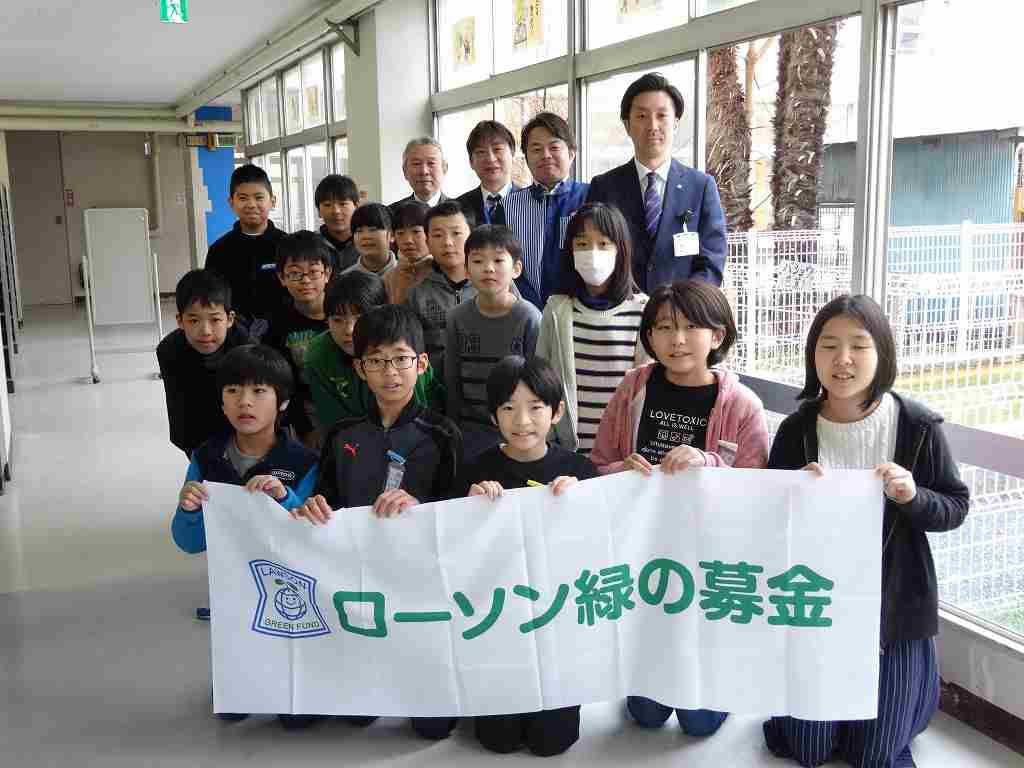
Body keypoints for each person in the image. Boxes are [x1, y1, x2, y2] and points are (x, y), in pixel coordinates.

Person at [762, 294, 969, 768]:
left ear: (883, 354)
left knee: (876, 756)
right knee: (808, 751)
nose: (843, 359)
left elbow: (955, 506)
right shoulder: (796, 430)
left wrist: (912, 496)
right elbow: (770, 519)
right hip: (817, 603)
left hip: (892, 611)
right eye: (828, 345)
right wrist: (795, 495)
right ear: (813, 355)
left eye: (859, 345)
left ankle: (913, 691)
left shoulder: (917, 426)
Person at [590, 280, 768, 738]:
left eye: (692, 326)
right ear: (649, 336)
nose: (678, 339)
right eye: (665, 327)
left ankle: (714, 681)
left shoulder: (742, 405)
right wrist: (621, 471)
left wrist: (707, 463)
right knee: (645, 714)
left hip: (708, 559)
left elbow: (757, 493)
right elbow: (599, 462)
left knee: (700, 723)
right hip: (645, 551)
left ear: (719, 334)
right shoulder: (633, 388)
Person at [293, 304, 462, 742]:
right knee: (359, 718)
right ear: (359, 368)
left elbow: (459, 512)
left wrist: (420, 504)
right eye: (376, 361)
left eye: (401, 358)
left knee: (433, 728)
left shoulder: (442, 434)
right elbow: (324, 500)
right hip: (359, 579)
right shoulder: (343, 435)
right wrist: (313, 508)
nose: (390, 372)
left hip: (419, 584)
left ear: (421, 364)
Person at [170, 344, 319, 728]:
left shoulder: (302, 461)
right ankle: (240, 682)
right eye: (233, 391)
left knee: (294, 719)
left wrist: (285, 497)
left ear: (282, 402)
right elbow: (187, 542)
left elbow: (313, 535)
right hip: (232, 589)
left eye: (259, 391)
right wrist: (188, 509)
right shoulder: (206, 457)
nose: (244, 402)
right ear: (221, 403)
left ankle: (295, 685)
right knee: (233, 707)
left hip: (290, 589)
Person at [452, 355, 592, 757]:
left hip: (556, 618)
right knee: (497, 741)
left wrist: (580, 504)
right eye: (509, 408)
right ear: (493, 416)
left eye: (535, 407)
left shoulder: (579, 470)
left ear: (557, 411)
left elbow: (599, 547)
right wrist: (469, 508)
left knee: (553, 743)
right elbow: (454, 551)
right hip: (500, 619)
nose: (522, 420)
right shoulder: (476, 470)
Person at [586, 72, 726, 293]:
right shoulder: (604, 187)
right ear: (627, 125)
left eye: (662, 115)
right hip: (620, 315)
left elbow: (711, 262)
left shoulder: (701, 187)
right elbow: (594, 255)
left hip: (680, 318)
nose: (653, 126)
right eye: (642, 116)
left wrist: (682, 307)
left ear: (676, 122)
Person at [536, 202, 649, 455]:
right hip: (569, 453)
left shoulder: (643, 312)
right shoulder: (556, 309)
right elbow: (541, 382)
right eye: (582, 244)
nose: (593, 253)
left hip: (624, 456)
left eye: (604, 244)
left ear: (621, 249)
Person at [445, 225, 541, 459]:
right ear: (466, 269)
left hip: (517, 431)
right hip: (469, 432)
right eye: (478, 262)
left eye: (498, 261)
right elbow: (452, 380)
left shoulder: (529, 317)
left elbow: (538, 383)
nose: (488, 268)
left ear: (516, 268)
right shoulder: (456, 317)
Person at [304, 271, 443, 428]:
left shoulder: (404, 351)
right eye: (337, 320)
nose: (349, 330)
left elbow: (429, 407)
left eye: (359, 317)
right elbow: (334, 422)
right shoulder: (318, 355)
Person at [157, 269, 250, 459]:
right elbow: (180, 411)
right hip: (198, 436)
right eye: (193, 320)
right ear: (180, 321)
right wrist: (195, 454)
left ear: (230, 319)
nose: (205, 331)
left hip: (245, 434)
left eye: (215, 319)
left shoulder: (246, 348)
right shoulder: (169, 351)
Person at [504, 112, 589, 309]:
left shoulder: (592, 198)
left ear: (571, 153)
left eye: (554, 147)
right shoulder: (507, 207)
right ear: (526, 158)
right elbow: (504, 261)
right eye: (536, 149)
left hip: (580, 311)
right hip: (524, 312)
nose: (545, 155)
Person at [263, 231, 333, 449]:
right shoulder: (278, 325)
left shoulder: (343, 315)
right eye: (294, 274)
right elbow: (283, 383)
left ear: (327, 273)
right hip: (306, 409)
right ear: (281, 278)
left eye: (313, 272)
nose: (306, 281)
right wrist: (304, 428)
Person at [204, 164, 288, 337]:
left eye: (259, 197)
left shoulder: (287, 245)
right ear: (231, 202)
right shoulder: (219, 250)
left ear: (272, 201)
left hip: (283, 330)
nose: (251, 205)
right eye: (242, 198)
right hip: (234, 334)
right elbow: (212, 298)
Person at [404, 199, 477, 381]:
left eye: (456, 233)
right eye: (438, 235)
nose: (448, 242)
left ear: (472, 237)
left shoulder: (496, 284)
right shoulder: (417, 294)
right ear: (427, 241)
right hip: (437, 391)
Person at [456, 120, 522, 226]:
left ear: (512, 155)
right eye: (481, 152)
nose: (491, 159)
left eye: (497, 149)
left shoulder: (533, 203)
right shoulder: (458, 208)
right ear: (471, 162)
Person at [383, 200, 433, 304]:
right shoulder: (390, 277)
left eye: (416, 231)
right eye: (400, 233)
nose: (408, 240)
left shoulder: (444, 270)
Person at [315, 173, 360, 272]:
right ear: (318, 211)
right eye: (327, 205)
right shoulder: (310, 245)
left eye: (343, 204)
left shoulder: (368, 242)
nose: (336, 211)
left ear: (356, 206)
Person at [341, 203, 398, 278]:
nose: (365, 236)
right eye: (359, 231)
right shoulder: (345, 278)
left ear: (392, 235)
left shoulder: (408, 276)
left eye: (373, 230)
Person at [391, 137, 449, 209]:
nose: (424, 171)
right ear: (405, 171)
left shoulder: (461, 213)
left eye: (431, 163)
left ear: (444, 169)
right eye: (416, 164)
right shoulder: (392, 214)